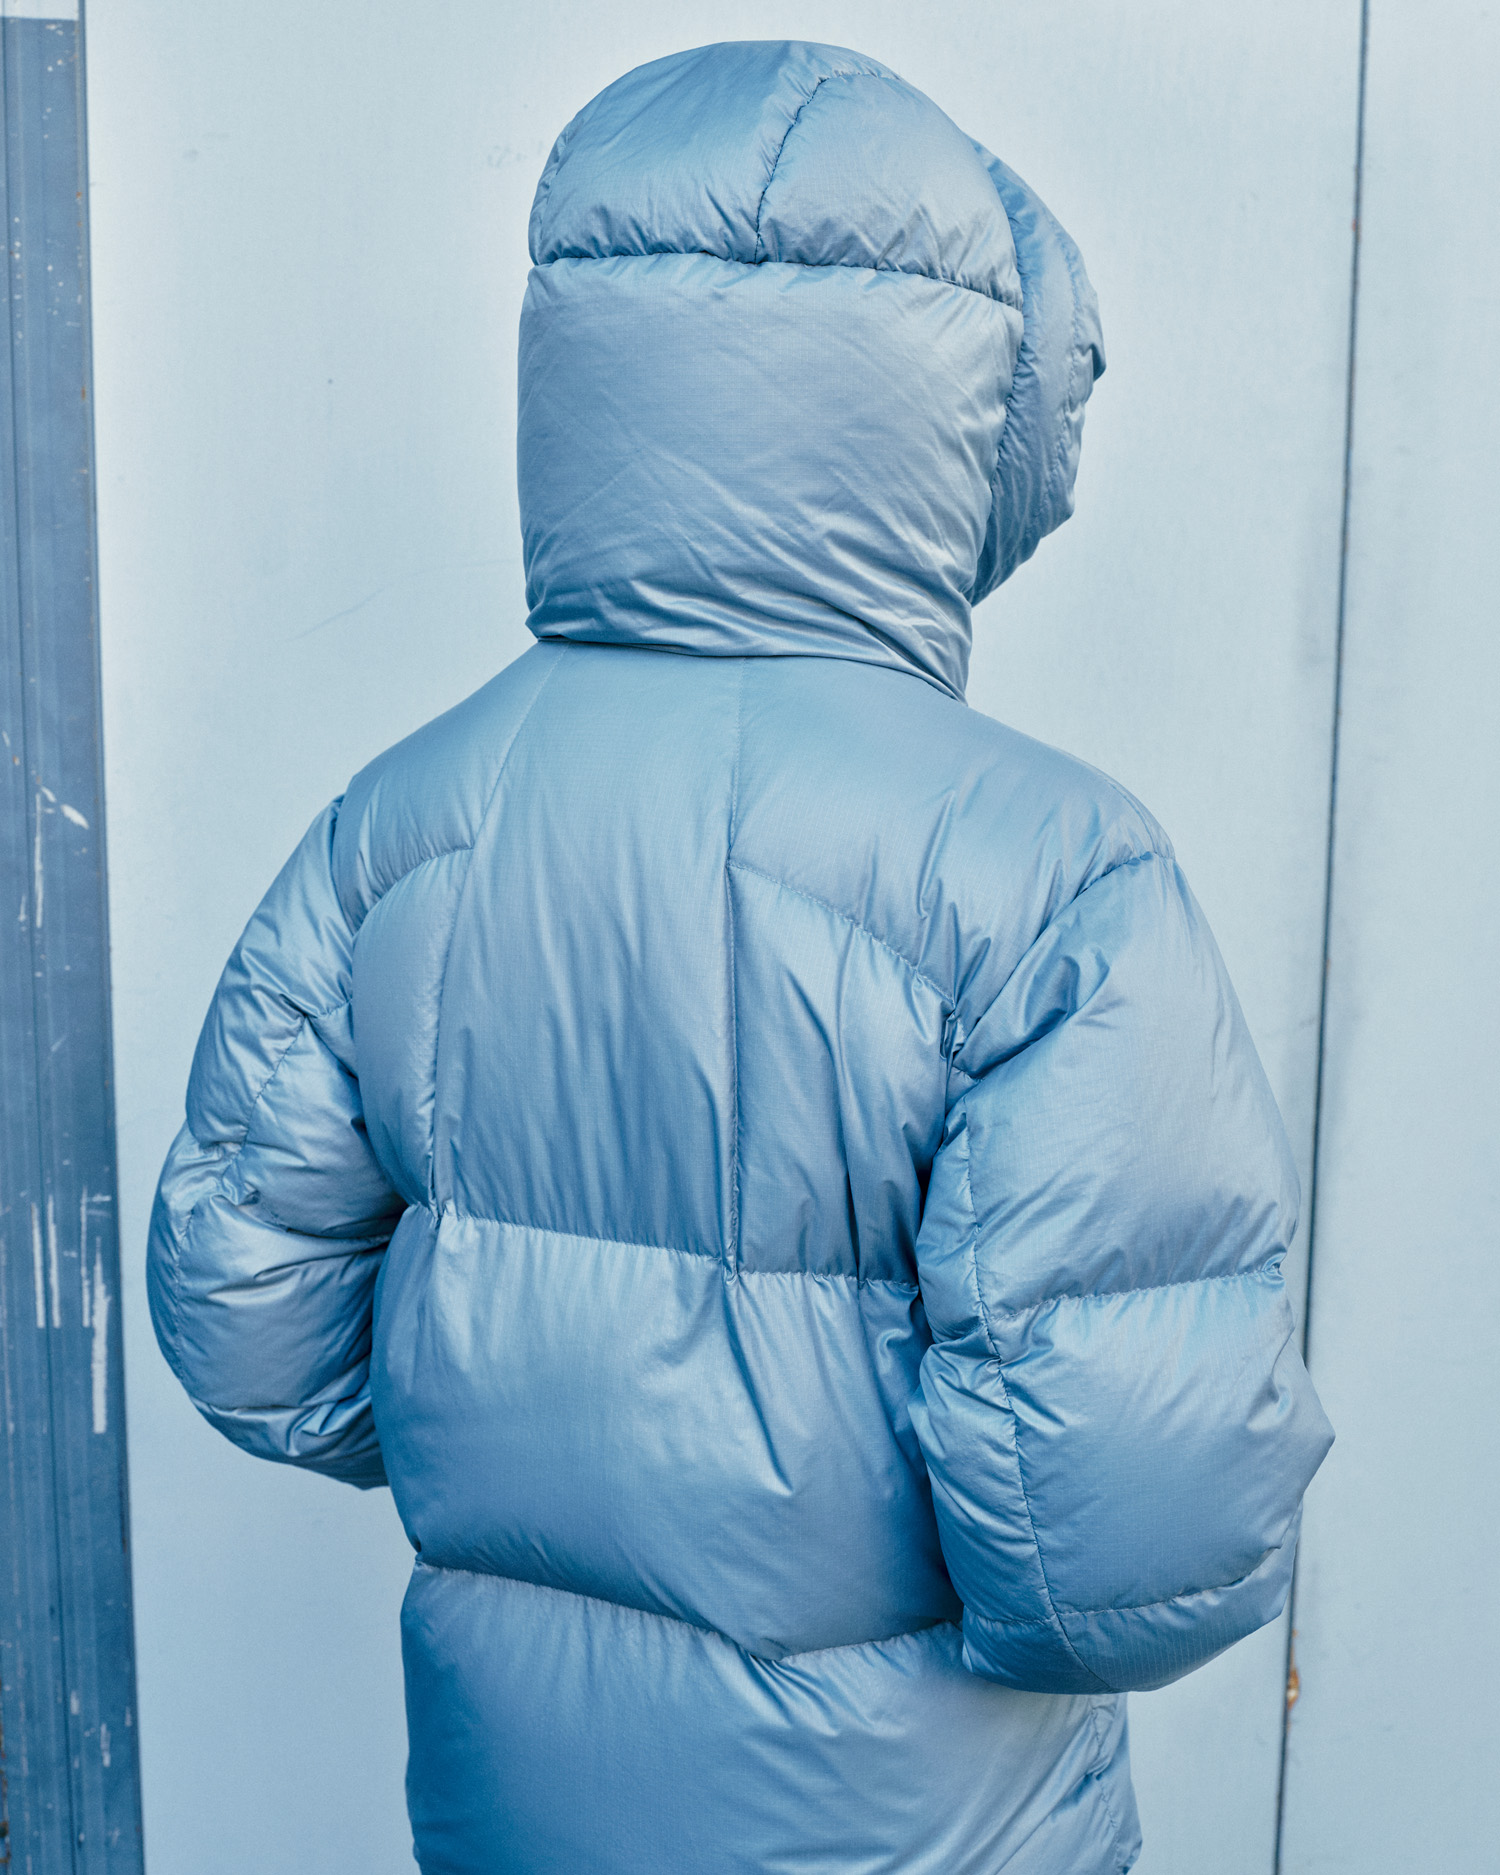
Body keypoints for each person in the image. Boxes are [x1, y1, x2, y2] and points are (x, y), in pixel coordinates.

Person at [148, 39, 1333, 1875]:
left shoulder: (398, 830)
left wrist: (541, 1469)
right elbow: (1128, 1542)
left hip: (518, 1803)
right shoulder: (1049, 879)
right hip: (923, 1825)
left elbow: (247, 1320)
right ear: (949, 410)